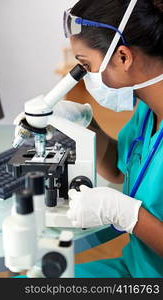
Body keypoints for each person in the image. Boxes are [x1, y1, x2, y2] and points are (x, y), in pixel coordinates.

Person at [63, 0, 163, 278]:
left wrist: (128, 214)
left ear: (122, 56)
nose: (85, 77)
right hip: (134, 268)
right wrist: (84, 125)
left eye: (86, 66)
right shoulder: (148, 110)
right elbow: (119, 170)